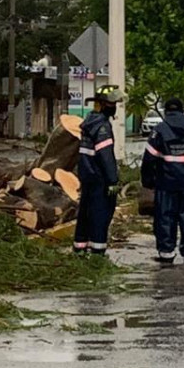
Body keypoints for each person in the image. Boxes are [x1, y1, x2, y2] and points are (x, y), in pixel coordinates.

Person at [141, 97, 184, 265]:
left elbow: (149, 159)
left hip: (166, 183)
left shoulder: (160, 130)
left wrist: (148, 181)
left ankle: (166, 253)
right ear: (183, 110)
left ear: (166, 111)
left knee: (165, 217)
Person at [74, 85, 123, 257]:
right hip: (100, 179)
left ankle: (80, 248)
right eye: (113, 103)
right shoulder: (102, 127)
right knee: (100, 216)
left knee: (85, 214)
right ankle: (97, 252)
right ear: (104, 104)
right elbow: (106, 156)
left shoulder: (90, 122)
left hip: (87, 176)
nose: (115, 106)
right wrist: (113, 180)